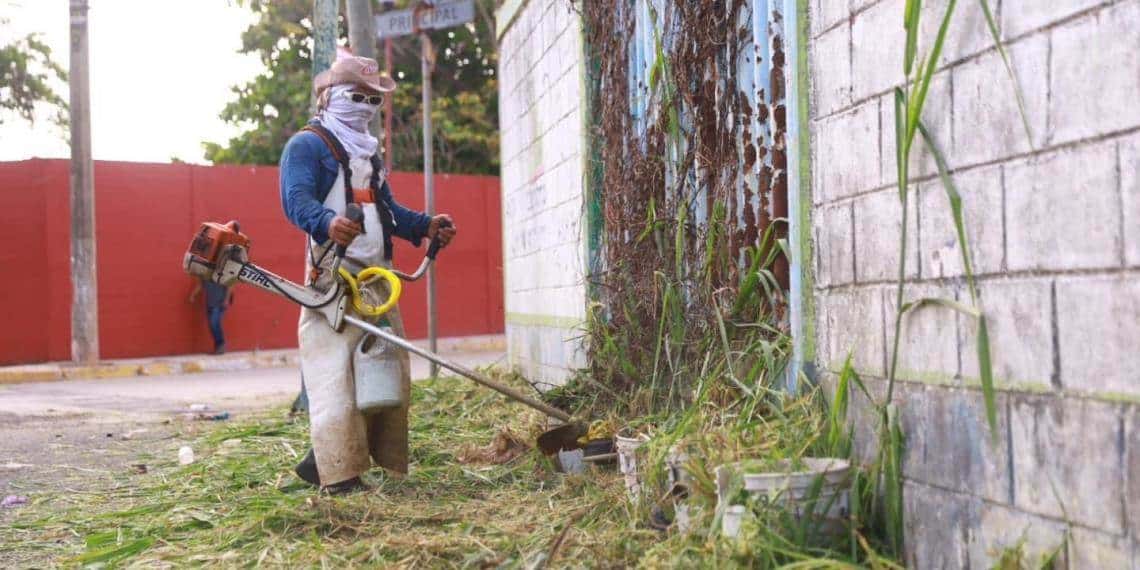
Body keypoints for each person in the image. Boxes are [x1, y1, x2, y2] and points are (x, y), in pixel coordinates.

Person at [279, 56, 456, 494]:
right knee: (337, 374)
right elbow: (295, 200)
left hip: (378, 276)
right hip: (333, 276)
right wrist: (326, 222)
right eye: (355, 96)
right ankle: (339, 473)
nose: (364, 106)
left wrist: (423, 227)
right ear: (329, 98)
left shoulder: (368, 152)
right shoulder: (306, 146)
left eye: (373, 99)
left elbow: (389, 212)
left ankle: (343, 459)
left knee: (385, 366)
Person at [188, 255, 235, 355]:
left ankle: (221, 345)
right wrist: (193, 295)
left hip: (220, 302)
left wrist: (226, 300)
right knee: (212, 324)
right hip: (210, 302)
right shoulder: (203, 274)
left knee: (214, 323)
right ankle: (218, 346)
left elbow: (230, 285)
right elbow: (200, 286)